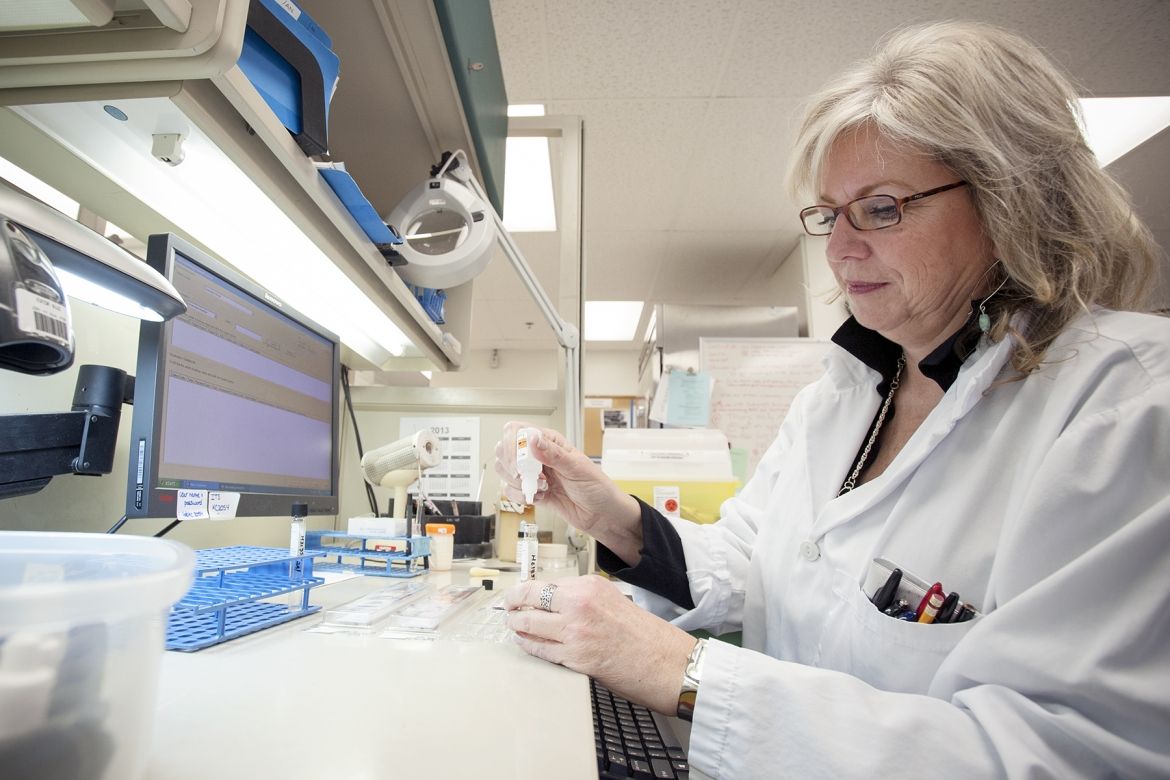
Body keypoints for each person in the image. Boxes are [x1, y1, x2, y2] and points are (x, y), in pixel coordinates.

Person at [494, 20, 1170, 779]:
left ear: (1008, 198)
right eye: (829, 214)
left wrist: (687, 674)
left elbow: (1058, 758)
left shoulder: (1129, 407)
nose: (841, 249)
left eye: (881, 208)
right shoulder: (841, 398)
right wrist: (613, 517)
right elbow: (754, 567)